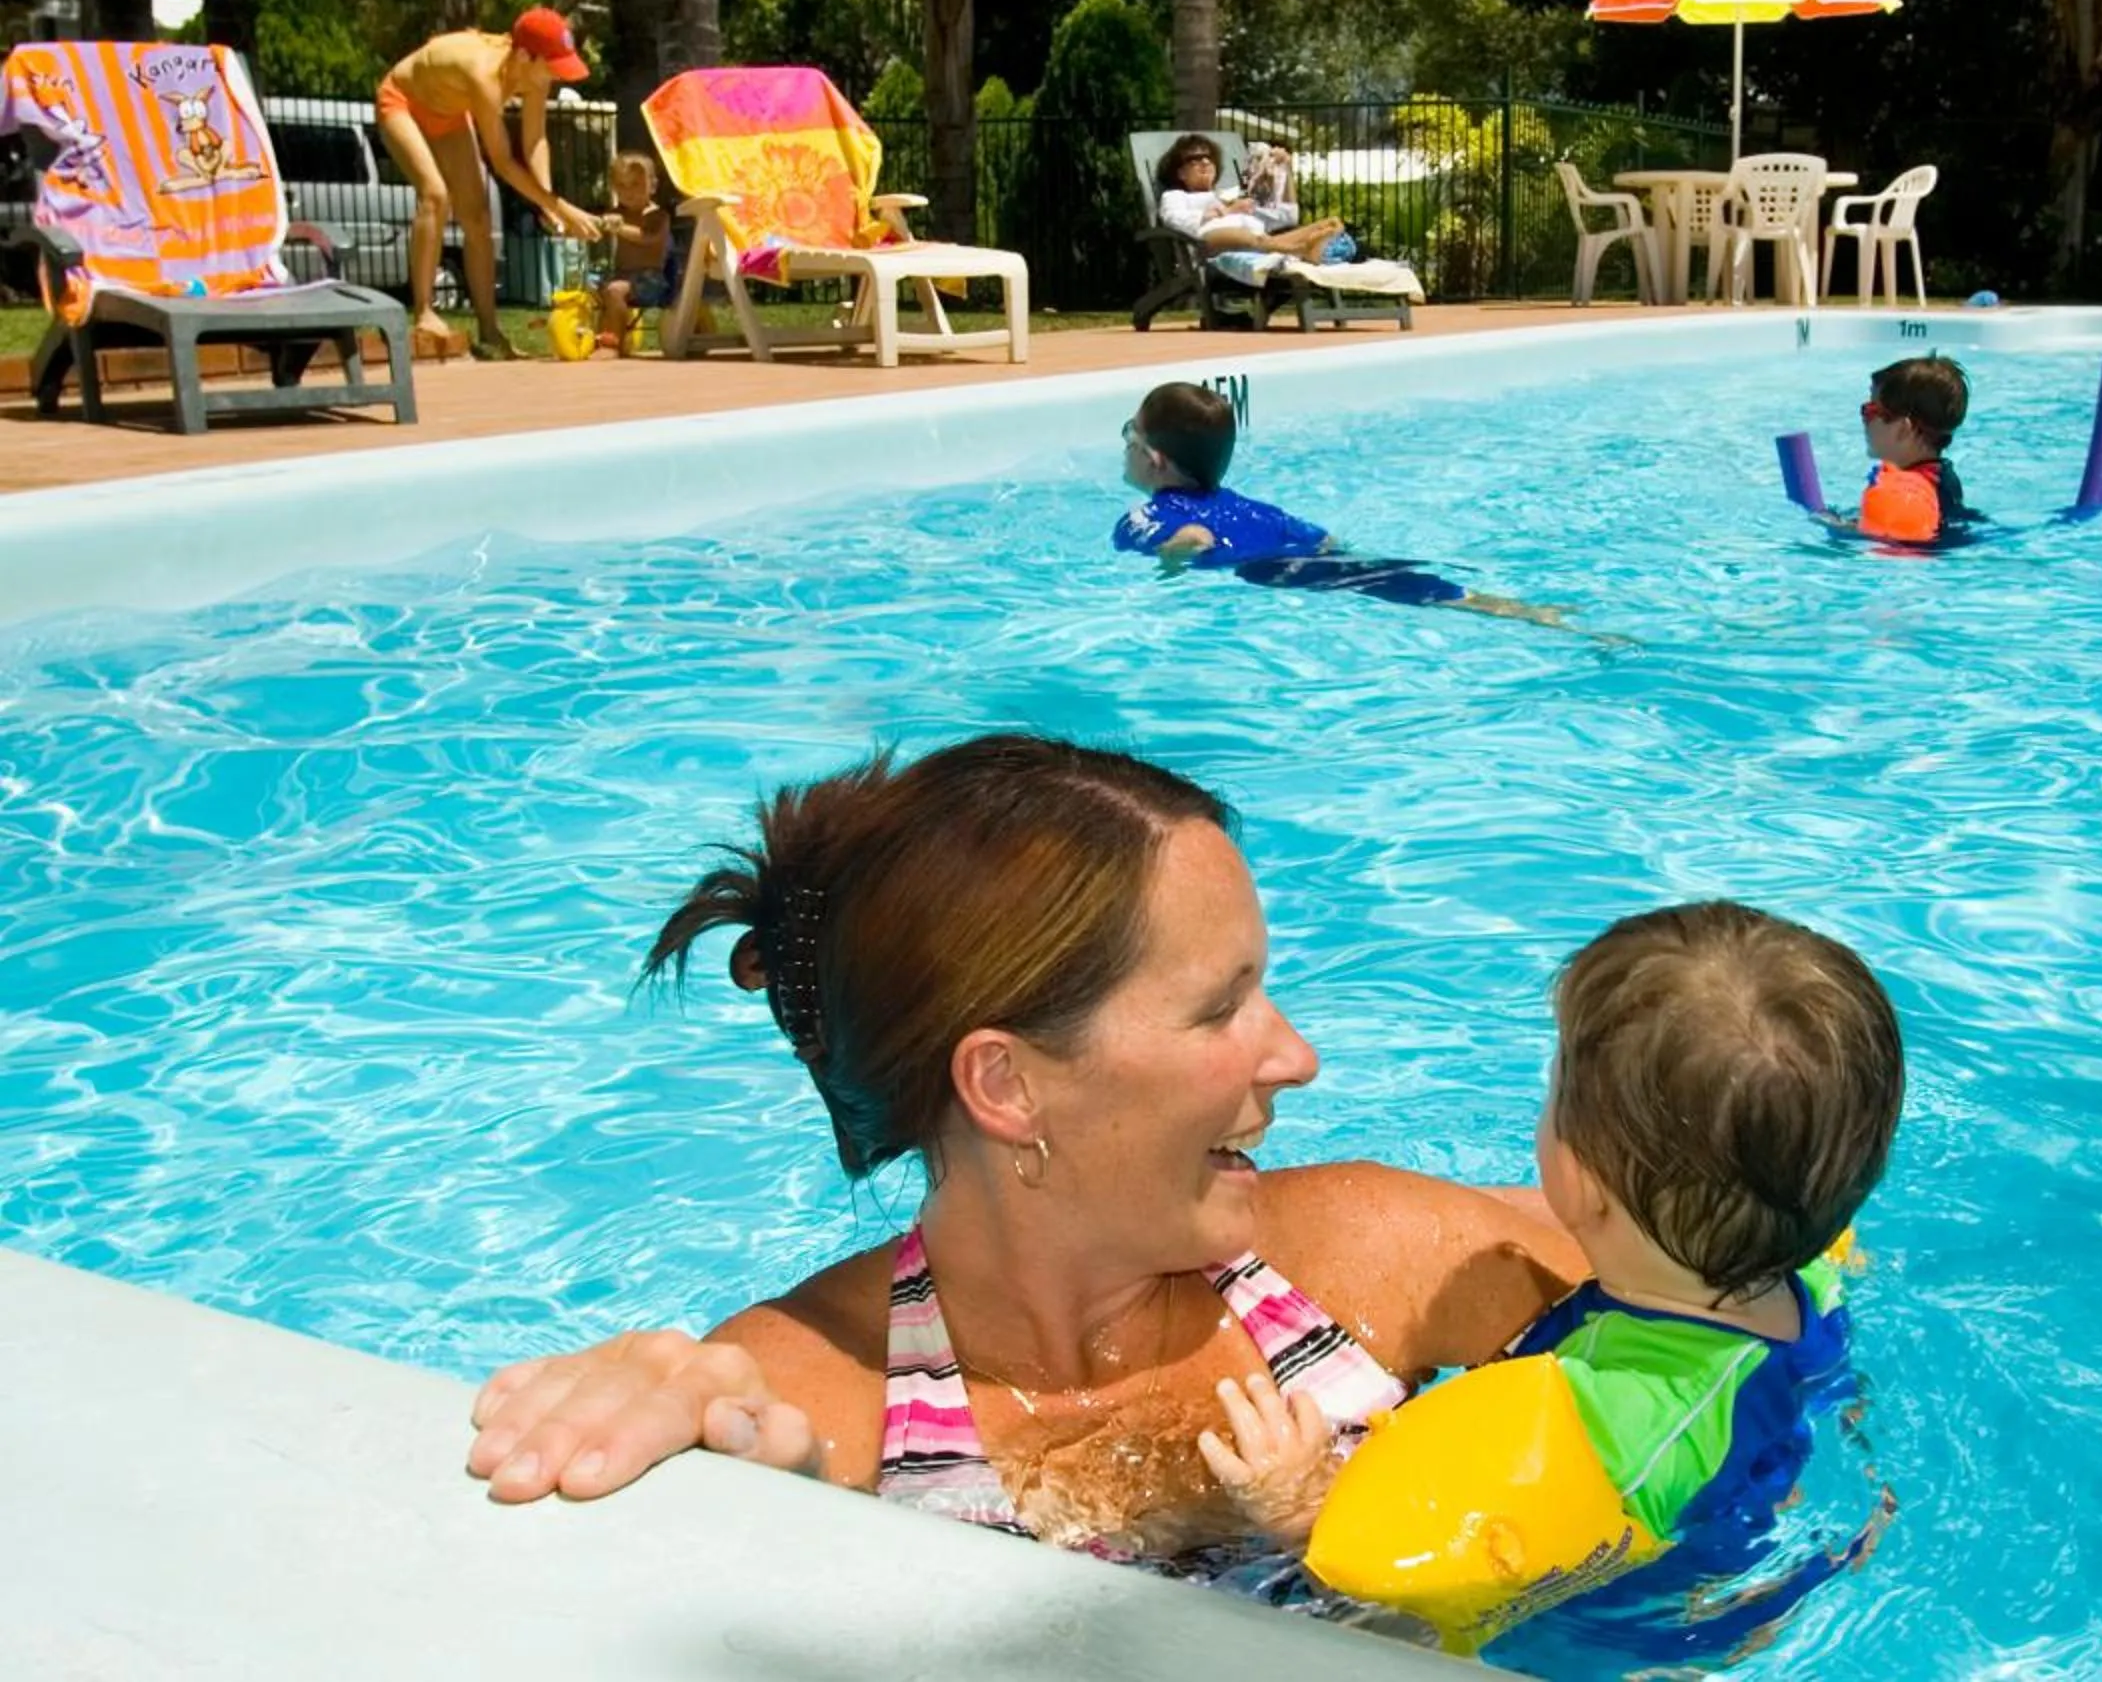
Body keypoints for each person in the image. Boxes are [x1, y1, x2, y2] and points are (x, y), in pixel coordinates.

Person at [463, 734, 1592, 1566]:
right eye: (1219, 1009)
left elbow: (1717, 1279)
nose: (1295, 1056)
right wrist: (671, 1434)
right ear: (1006, 1083)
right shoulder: (828, 1407)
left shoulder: (1377, 1261)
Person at [1199, 902, 1904, 1664]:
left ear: (1583, 1181)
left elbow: (1408, 1582)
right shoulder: (1800, 1259)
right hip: (1749, 1492)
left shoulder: (1612, 1419)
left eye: (1554, 1090)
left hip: (1615, 1633)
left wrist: (1301, 1508)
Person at [1115, 382, 1592, 633]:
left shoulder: (1147, 516)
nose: (1124, 447)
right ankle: (1525, 610)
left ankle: (1522, 613)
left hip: (1268, 571)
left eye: (1128, 436)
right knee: (1410, 584)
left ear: (1154, 461)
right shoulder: (1255, 509)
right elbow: (1323, 539)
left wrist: (1179, 553)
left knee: (1406, 592)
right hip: (1315, 558)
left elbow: (1185, 543)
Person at [375, 9, 605, 360]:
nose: (558, 76)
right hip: (403, 101)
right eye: (554, 65)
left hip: (447, 114)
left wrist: (546, 202)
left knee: (479, 218)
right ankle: (424, 311)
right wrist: (561, 207)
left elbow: (534, 142)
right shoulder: (484, 74)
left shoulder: (535, 78)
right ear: (526, 56)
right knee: (435, 195)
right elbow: (502, 162)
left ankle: (489, 329)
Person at [1154, 132, 1350, 264]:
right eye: (1194, 159)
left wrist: (1286, 169)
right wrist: (1227, 211)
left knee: (1332, 224)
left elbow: (1288, 216)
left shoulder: (1232, 195)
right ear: (1180, 173)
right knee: (1244, 235)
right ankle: (1300, 250)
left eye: (1209, 157)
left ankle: (1301, 249)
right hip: (1210, 247)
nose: (1205, 161)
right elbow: (1175, 220)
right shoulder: (1175, 196)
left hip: (1260, 243)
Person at [1844, 355, 1972, 542]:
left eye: (1871, 411)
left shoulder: (1907, 495)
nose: (1864, 419)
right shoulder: (1940, 478)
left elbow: (1898, 547)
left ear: (1904, 428)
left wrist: (1837, 528)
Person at [594, 152, 676, 355]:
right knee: (590, 290)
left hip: (651, 280)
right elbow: (597, 228)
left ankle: (612, 344)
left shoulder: (658, 216)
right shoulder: (617, 213)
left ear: (653, 186)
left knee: (614, 291)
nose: (629, 191)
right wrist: (577, 226)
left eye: (636, 184)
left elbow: (648, 237)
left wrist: (619, 228)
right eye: (622, 185)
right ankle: (597, 336)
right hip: (621, 275)